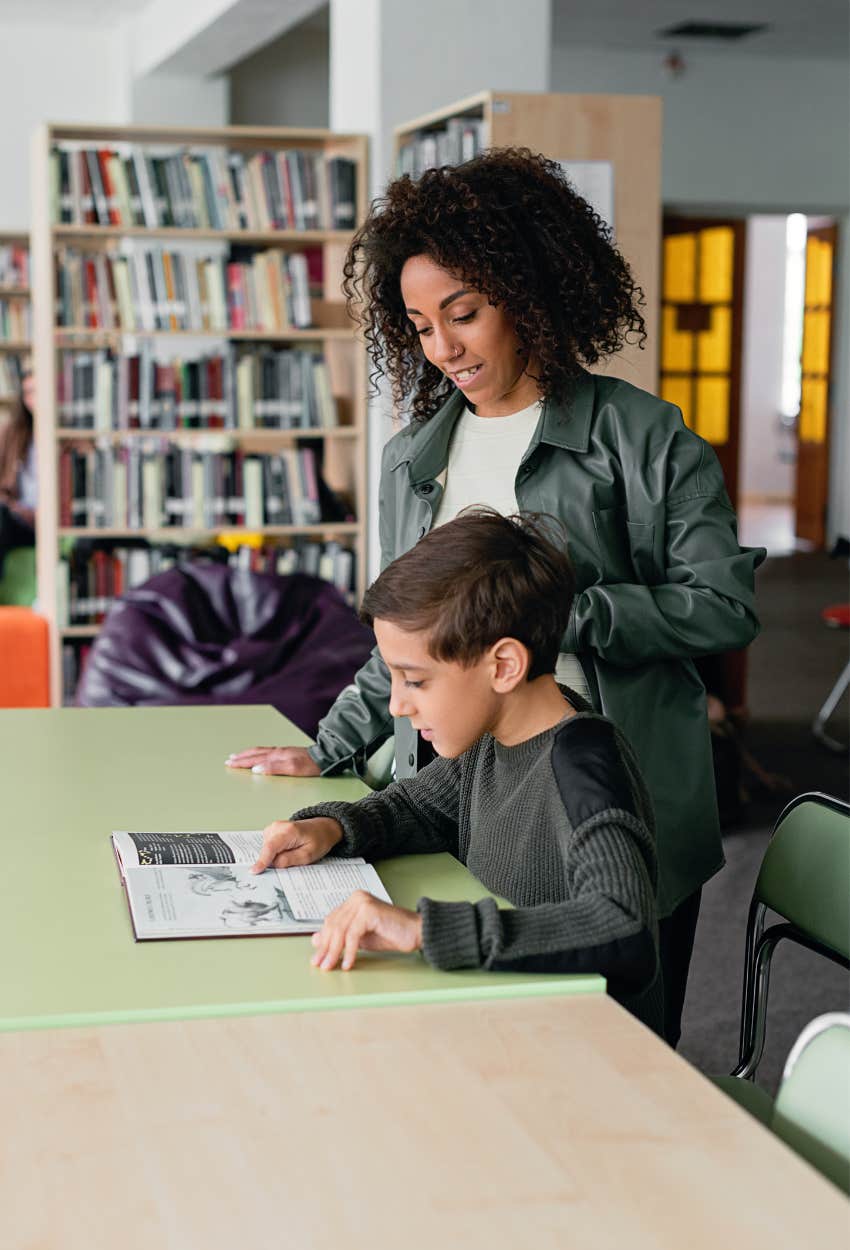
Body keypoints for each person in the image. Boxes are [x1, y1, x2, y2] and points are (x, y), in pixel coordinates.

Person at [227, 148, 764, 1046]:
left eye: (465, 315)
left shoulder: (642, 436)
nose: (443, 347)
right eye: (420, 323)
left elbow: (723, 605)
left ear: (532, 292)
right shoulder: (414, 457)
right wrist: (325, 752)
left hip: (616, 791)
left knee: (624, 1047)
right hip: (472, 791)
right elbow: (405, 639)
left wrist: (559, 614)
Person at [251, 510, 662, 1034]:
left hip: (585, 1050)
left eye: (415, 681)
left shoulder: (584, 764)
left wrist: (424, 931)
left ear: (503, 666)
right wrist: (331, 827)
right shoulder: (493, 739)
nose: (396, 705)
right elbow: (416, 807)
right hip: (505, 1013)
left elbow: (625, 934)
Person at [0, 365, 36, 578]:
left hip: (56, 521)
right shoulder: (11, 434)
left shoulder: (65, 435)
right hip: (18, 519)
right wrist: (21, 511)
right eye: (29, 392)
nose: (34, 399)